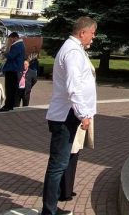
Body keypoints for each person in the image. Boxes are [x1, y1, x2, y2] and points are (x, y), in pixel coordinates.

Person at [40, 16, 97, 215]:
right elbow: (74, 87)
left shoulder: (75, 49)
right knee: (58, 165)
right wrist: (83, 114)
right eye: (92, 33)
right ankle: (49, 211)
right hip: (66, 115)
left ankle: (52, 207)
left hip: (67, 114)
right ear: (82, 33)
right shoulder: (72, 52)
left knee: (59, 163)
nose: (93, 37)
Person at [0, 31, 25, 112]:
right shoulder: (20, 45)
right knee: (12, 89)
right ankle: (10, 105)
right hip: (15, 69)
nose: (10, 41)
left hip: (12, 69)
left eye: (10, 39)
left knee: (9, 89)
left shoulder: (17, 45)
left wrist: (4, 52)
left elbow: (11, 56)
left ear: (15, 38)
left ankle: (7, 105)